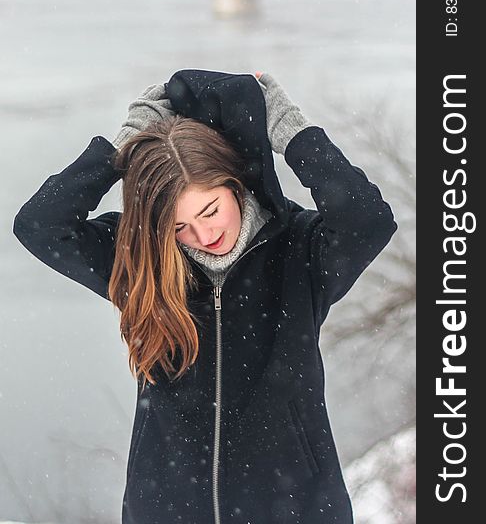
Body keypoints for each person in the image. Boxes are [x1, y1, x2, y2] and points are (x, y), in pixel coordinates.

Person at [13, 69, 398, 524]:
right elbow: (40, 224)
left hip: (294, 509)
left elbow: (368, 219)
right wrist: (127, 145)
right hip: (167, 508)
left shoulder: (300, 252)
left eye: (210, 210)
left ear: (235, 184)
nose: (203, 234)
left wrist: (289, 131)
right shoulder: (145, 263)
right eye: (178, 226)